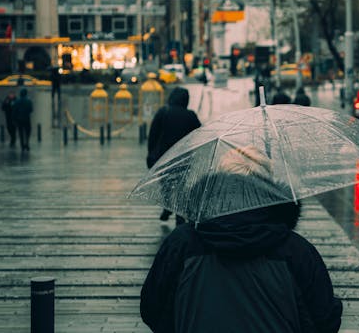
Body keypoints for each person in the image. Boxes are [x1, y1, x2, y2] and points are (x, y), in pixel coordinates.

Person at [140, 146, 343, 332]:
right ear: (268, 187)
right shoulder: (296, 250)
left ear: (216, 183)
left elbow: (152, 308)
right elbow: (325, 319)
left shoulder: (182, 243)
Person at [147, 87, 201, 225]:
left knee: (166, 184)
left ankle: (167, 206)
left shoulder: (163, 112)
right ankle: (179, 214)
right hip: (184, 157)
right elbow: (199, 134)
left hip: (164, 156)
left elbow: (153, 135)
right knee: (181, 186)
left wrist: (150, 154)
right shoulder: (190, 115)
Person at [12, 88, 33, 152]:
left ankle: (22, 145)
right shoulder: (29, 101)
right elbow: (31, 109)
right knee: (27, 132)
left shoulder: (17, 101)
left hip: (19, 119)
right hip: (27, 118)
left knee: (21, 133)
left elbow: (14, 111)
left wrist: (14, 119)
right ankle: (27, 143)